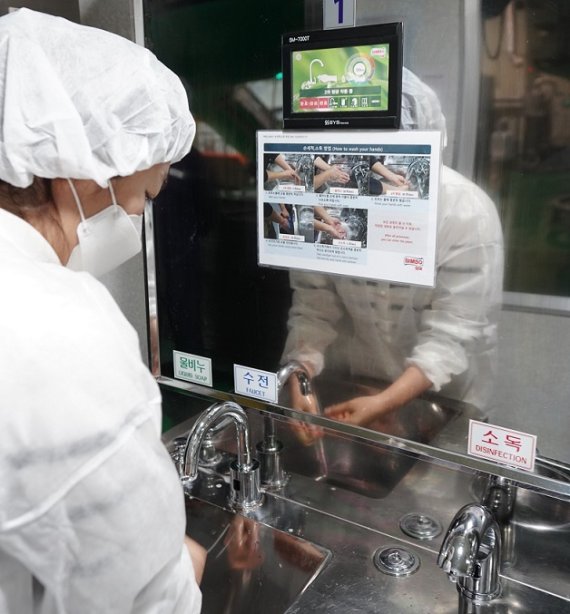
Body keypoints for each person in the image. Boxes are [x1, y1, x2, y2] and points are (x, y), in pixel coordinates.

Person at [0, 9, 205, 612]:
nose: (138, 216)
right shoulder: (58, 327)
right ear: (88, 175)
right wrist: (180, 567)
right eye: (144, 194)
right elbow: (144, 594)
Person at [282, 68, 504, 428]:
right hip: (358, 383)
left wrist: (386, 402)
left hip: (445, 401)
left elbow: (454, 333)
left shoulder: (464, 213)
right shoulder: (330, 199)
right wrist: (300, 373)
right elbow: (314, 305)